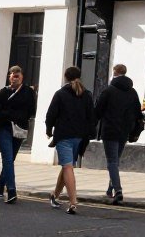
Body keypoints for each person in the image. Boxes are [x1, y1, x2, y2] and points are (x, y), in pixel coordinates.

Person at [45, 65, 94, 215]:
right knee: (67, 166)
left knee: (67, 167)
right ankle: (55, 195)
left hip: (64, 135)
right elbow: (92, 117)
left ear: (65, 77)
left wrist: (49, 131)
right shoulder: (87, 95)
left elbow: (51, 115)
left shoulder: (60, 94)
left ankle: (73, 202)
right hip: (79, 137)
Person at [94, 63, 142, 205]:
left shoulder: (108, 91)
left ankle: (118, 191)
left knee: (112, 162)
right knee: (115, 161)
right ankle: (110, 190)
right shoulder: (132, 92)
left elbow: (97, 112)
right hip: (124, 132)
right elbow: (138, 112)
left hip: (110, 131)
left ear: (114, 73)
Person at [0, 65, 37, 203]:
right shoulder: (3, 92)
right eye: (12, 75)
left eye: (17, 75)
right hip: (4, 128)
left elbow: (32, 111)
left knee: (10, 160)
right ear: (9, 77)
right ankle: (11, 190)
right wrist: (9, 114)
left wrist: (15, 116)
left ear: (22, 77)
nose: (14, 77)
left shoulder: (28, 92)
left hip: (19, 129)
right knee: (8, 159)